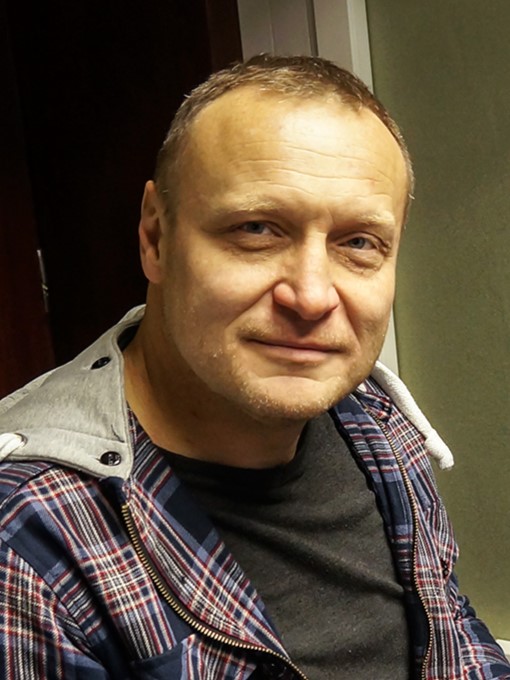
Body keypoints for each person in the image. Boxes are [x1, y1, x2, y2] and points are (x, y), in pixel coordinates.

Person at [0, 54, 507, 680]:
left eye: (358, 243)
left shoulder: (376, 422)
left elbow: (450, 633)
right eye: (258, 229)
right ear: (155, 237)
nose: (312, 296)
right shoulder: (27, 544)